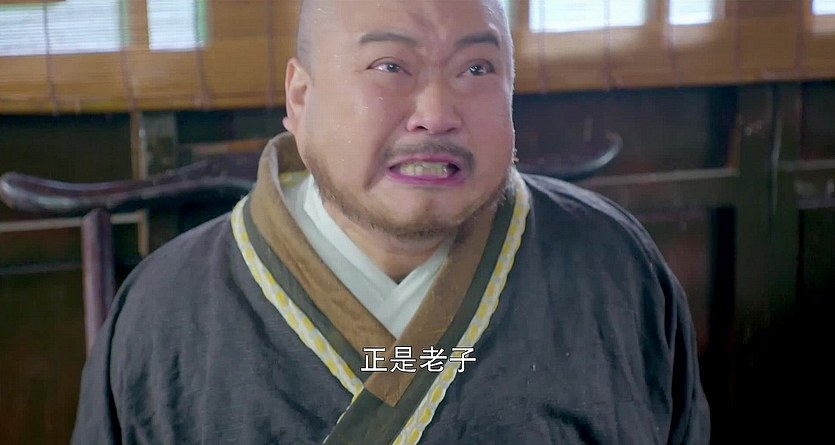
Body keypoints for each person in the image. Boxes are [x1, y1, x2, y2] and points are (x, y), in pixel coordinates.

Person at [71, 0, 710, 443]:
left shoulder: (616, 265)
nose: (437, 112)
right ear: (301, 99)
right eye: (390, 67)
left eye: (477, 69)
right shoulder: (165, 308)